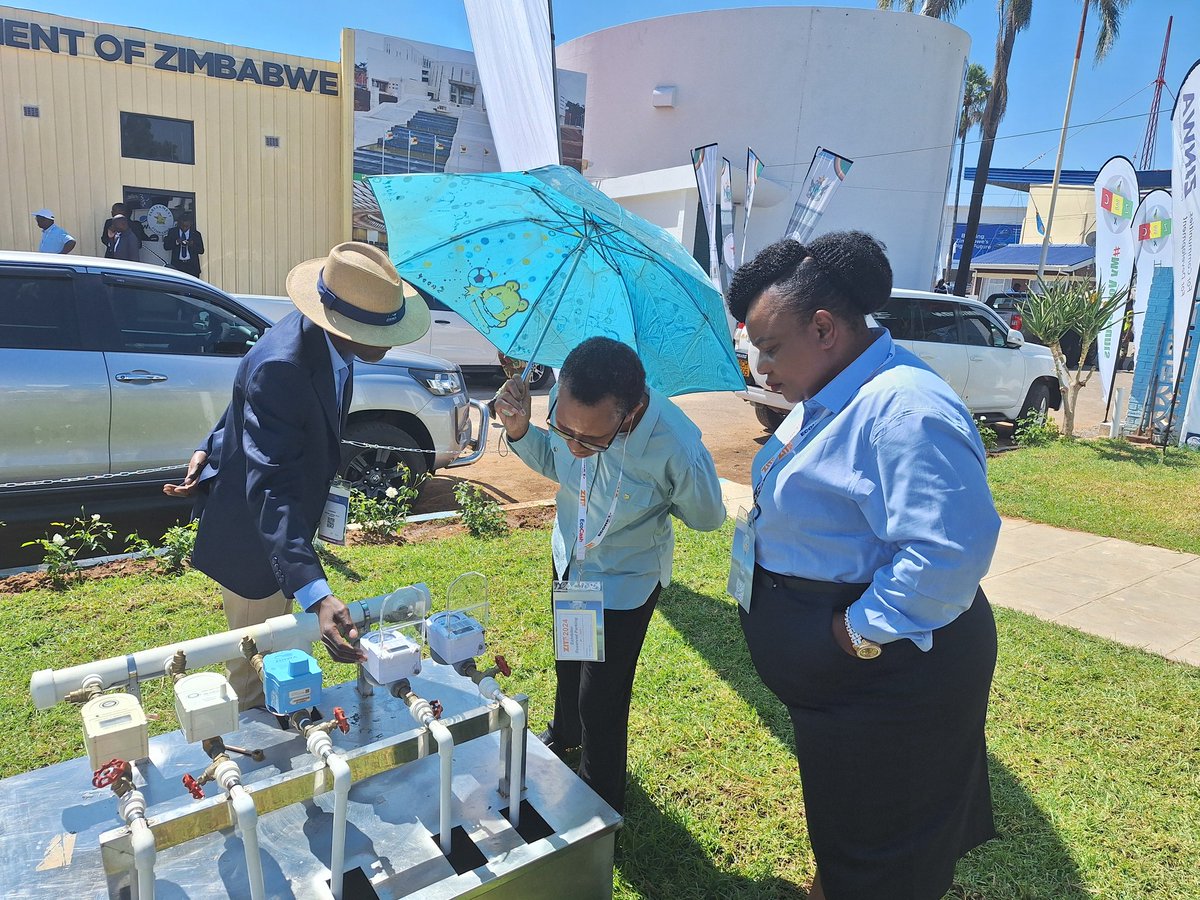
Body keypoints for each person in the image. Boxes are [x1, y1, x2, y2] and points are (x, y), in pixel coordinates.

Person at [726, 232, 1000, 900]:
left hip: (886, 679)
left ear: (823, 328)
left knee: (886, 850)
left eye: (769, 348)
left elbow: (948, 552)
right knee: (855, 822)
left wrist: (853, 633)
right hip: (845, 686)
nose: (760, 369)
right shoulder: (831, 392)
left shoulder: (904, 408)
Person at [163, 242, 431, 709]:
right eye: (382, 329)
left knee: (285, 654)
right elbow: (269, 487)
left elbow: (245, 405)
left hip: (286, 531)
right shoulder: (284, 364)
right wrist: (317, 593)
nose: (394, 341)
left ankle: (290, 725)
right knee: (256, 664)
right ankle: (258, 758)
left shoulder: (324, 345)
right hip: (254, 538)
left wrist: (209, 444)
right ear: (346, 325)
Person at [492, 337, 726, 814]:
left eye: (593, 440)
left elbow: (707, 516)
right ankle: (564, 734)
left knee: (602, 697)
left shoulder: (675, 444)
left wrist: (656, 500)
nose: (575, 447)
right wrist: (520, 431)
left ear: (633, 411)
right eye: (565, 430)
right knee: (568, 662)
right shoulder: (570, 404)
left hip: (625, 580)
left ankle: (597, 804)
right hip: (571, 561)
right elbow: (557, 463)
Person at [164, 212, 205, 277]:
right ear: (179, 224)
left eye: (186, 226)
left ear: (190, 224)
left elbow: (201, 250)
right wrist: (176, 242)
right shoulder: (173, 232)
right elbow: (166, 246)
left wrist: (192, 244)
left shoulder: (196, 234)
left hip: (192, 267)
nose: (184, 228)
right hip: (177, 265)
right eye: (182, 226)